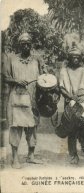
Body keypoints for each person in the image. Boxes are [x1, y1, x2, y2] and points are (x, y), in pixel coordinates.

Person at [3, 33, 45, 168]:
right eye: (23, 44)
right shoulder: (11, 59)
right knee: (16, 127)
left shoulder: (36, 60)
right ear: (19, 45)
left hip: (33, 98)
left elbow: (45, 76)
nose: (26, 46)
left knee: (32, 127)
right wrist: (16, 80)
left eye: (28, 44)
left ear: (31, 45)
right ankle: (15, 158)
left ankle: (31, 155)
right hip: (17, 98)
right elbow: (4, 77)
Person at [59, 47, 84, 164]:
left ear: (80, 58)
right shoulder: (64, 71)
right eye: (73, 57)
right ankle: (73, 155)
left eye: (77, 57)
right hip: (70, 104)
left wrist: (83, 97)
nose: (75, 59)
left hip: (82, 103)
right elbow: (61, 87)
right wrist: (71, 97)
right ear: (69, 58)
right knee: (72, 130)